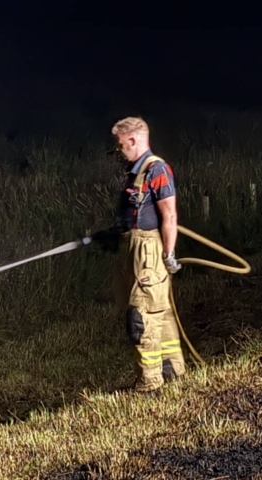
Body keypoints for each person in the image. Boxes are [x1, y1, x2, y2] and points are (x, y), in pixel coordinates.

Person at [108, 116, 186, 393]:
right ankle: (173, 372)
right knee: (160, 314)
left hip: (149, 251)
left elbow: (169, 214)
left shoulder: (157, 169)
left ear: (133, 139)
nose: (119, 151)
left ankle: (150, 383)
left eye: (120, 146)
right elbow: (134, 212)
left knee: (141, 317)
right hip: (133, 247)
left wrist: (168, 255)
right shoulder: (135, 173)